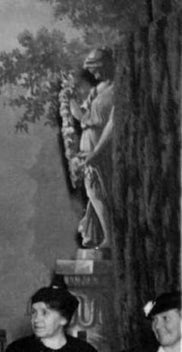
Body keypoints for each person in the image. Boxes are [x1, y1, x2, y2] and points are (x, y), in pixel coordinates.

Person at [67, 48, 115, 248]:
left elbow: (113, 123)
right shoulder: (98, 89)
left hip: (101, 145)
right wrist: (68, 101)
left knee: (99, 190)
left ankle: (111, 238)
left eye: (96, 69)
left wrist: (97, 151)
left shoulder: (117, 89)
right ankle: (106, 235)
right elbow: (82, 117)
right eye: (92, 71)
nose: (94, 75)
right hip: (88, 142)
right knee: (93, 190)